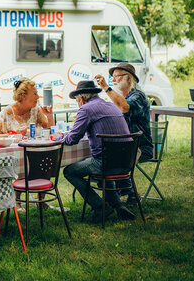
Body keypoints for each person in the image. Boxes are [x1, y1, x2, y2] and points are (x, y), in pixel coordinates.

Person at [57, 80, 137, 222]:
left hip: (105, 163)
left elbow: (73, 139)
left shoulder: (86, 109)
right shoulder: (111, 106)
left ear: (81, 99)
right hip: (126, 164)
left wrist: (60, 137)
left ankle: (100, 206)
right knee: (105, 165)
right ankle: (118, 206)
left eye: (77, 100)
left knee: (69, 171)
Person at [95, 63, 153, 205]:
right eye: (112, 77)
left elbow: (125, 107)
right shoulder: (119, 97)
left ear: (129, 78)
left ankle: (127, 193)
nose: (113, 80)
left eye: (116, 76)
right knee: (99, 156)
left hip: (140, 146)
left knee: (108, 159)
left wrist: (106, 88)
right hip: (124, 145)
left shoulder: (138, 96)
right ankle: (116, 194)